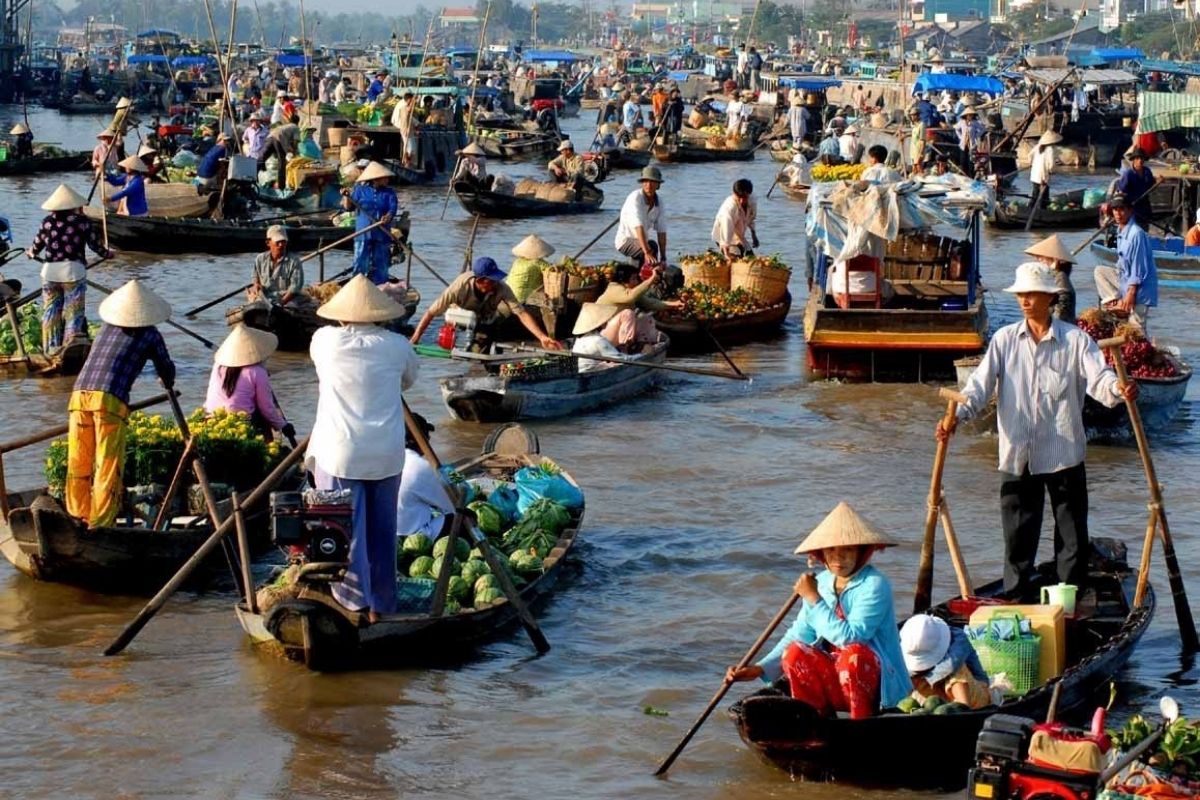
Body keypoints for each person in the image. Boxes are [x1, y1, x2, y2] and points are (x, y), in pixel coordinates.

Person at [938, 262, 1135, 599]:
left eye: (1032, 295)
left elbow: (1099, 380)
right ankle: (1017, 598)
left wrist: (1120, 389)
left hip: (1064, 454)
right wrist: (957, 416)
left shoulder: (1076, 341)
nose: (1025, 301)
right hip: (1019, 454)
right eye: (1021, 295)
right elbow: (978, 389)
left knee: (1071, 537)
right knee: (1017, 537)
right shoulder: (1004, 341)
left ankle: (1068, 599)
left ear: (1049, 298)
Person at [725, 502, 910, 719]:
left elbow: (851, 637)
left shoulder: (875, 584)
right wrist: (759, 669)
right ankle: (816, 720)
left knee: (854, 655)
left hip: (876, 687)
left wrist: (813, 598)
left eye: (847, 549)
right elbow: (800, 634)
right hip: (837, 679)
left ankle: (861, 722)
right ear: (821, 553)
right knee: (794, 652)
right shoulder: (821, 582)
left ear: (862, 552)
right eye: (831, 550)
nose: (838, 557)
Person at [308, 275, 419, 622]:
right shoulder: (398, 345)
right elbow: (408, 381)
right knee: (383, 532)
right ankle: (380, 607)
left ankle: (352, 604)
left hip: (340, 453)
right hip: (386, 452)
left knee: (346, 534)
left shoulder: (323, 341)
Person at [67, 280, 175, 528]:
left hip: (79, 395)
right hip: (109, 399)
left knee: (79, 460)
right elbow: (166, 371)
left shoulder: (106, 328)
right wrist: (167, 382)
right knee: (106, 463)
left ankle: (77, 515)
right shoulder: (150, 334)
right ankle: (100, 524)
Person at [26, 184, 114, 353]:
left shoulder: (47, 222)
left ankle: (50, 349)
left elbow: (36, 245)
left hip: (49, 273)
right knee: (74, 312)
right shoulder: (82, 222)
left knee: (51, 311)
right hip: (73, 272)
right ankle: (70, 348)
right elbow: (96, 246)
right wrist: (107, 254)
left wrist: (31, 253)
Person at [411, 256, 562, 349]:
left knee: (491, 336)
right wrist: (416, 337)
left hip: (486, 318)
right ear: (480, 281)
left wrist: (542, 337)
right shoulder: (460, 287)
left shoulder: (501, 288)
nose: (496, 283)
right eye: (492, 280)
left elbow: (521, 313)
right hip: (462, 319)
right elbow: (431, 312)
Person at [204, 324, 295, 443]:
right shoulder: (257, 372)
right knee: (262, 416)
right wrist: (283, 425)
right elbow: (266, 408)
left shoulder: (218, 366)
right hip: (241, 422)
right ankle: (265, 447)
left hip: (211, 416)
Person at [900, 615, 991, 710]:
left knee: (957, 670)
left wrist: (926, 678)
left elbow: (950, 666)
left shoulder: (958, 638)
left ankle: (963, 710)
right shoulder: (908, 644)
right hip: (937, 698)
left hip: (974, 696)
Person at [1096, 194, 1158, 330]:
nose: (1118, 213)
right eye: (1115, 209)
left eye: (1122, 209)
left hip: (1140, 289)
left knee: (1136, 331)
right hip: (1125, 282)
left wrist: (1131, 293)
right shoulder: (1121, 232)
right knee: (1100, 271)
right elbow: (1122, 264)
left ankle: (1148, 349)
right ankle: (1116, 303)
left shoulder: (1136, 234)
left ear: (1130, 210)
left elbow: (1139, 268)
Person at [396, 412, 454, 542]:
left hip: (389, 534)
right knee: (460, 518)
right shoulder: (419, 466)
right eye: (426, 435)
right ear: (418, 439)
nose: (429, 439)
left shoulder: (389, 458)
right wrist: (455, 476)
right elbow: (453, 504)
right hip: (413, 538)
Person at [341, 161, 397, 285]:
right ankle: (357, 286)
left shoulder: (389, 193)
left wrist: (388, 216)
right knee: (360, 262)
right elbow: (348, 208)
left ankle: (380, 288)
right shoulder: (360, 190)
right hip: (363, 233)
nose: (387, 179)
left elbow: (392, 209)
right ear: (376, 179)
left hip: (382, 233)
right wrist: (346, 197)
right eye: (385, 177)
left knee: (381, 263)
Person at [1024, 234, 1076, 324]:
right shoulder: (1053, 277)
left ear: (1055, 260)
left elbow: (1061, 311)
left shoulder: (1060, 278)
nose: (1038, 261)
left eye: (1041, 258)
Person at [248, 225, 305, 306]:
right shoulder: (260, 259)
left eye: (283, 241)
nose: (281, 245)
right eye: (277, 242)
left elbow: (295, 287)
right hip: (265, 297)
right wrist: (256, 285)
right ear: (268, 243)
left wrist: (281, 302)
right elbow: (255, 277)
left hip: (287, 299)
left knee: (291, 307)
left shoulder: (294, 261)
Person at [712, 178, 758, 259]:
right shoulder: (730, 207)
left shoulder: (752, 200)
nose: (741, 201)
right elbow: (726, 227)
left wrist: (753, 234)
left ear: (749, 194)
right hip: (723, 235)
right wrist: (726, 252)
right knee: (735, 259)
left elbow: (751, 217)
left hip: (739, 234)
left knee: (751, 257)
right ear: (734, 193)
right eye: (739, 197)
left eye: (745, 197)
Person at [571, 302, 624, 371]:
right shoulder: (598, 340)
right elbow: (620, 359)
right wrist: (639, 356)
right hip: (591, 373)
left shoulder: (579, 340)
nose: (607, 321)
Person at [1115, 147, 1158, 231]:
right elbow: (1121, 191)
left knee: (1144, 229)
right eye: (1137, 158)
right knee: (1134, 229)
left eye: (1142, 158)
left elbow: (1151, 184)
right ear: (1133, 160)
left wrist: (1158, 181)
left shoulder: (1147, 171)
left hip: (1144, 206)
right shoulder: (1129, 174)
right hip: (1132, 207)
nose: (1140, 161)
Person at [507, 234, 555, 303]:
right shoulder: (538, 262)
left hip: (509, 292)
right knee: (549, 301)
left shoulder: (517, 261)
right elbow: (553, 271)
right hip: (522, 296)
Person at [262, 119, 300, 189]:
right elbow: (295, 143)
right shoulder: (295, 127)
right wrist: (294, 152)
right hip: (278, 139)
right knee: (282, 163)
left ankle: (255, 178)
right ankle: (281, 186)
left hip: (270, 138)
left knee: (262, 158)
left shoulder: (284, 127)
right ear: (298, 122)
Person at [1030, 130, 1059, 208]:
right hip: (1043, 176)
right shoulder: (1050, 149)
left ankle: (1029, 208)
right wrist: (1051, 170)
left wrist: (1032, 163)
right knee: (1044, 196)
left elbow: (1030, 155)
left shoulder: (1038, 146)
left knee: (1035, 194)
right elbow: (1052, 164)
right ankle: (1043, 211)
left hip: (1034, 174)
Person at [955, 106, 983, 172]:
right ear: (966, 116)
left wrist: (977, 135)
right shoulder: (962, 122)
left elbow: (982, 129)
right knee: (963, 160)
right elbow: (956, 129)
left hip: (972, 144)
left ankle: (971, 175)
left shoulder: (975, 123)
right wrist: (960, 136)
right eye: (969, 115)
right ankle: (964, 173)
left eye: (971, 115)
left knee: (971, 161)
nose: (970, 116)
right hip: (963, 144)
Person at [907, 107, 926, 171]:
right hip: (913, 149)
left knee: (919, 167)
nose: (912, 117)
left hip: (918, 150)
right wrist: (904, 136)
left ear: (917, 115)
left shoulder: (922, 125)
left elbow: (922, 140)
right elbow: (913, 135)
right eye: (911, 115)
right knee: (914, 168)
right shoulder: (914, 125)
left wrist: (921, 153)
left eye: (914, 115)